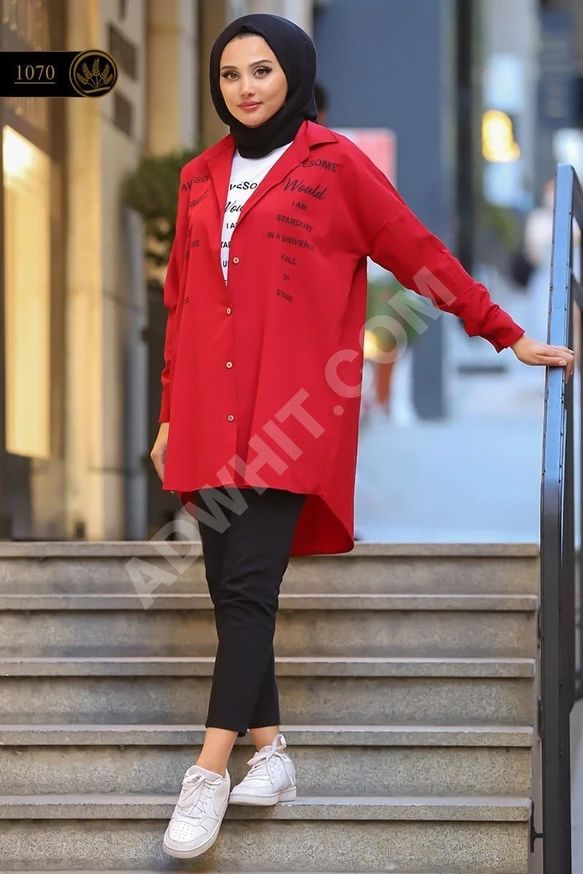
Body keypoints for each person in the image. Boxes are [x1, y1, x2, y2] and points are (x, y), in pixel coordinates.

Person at [149, 13, 574, 861]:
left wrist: (505, 334)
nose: (244, 88)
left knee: (247, 589)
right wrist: (167, 414)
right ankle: (272, 754)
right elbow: (181, 303)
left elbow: (418, 255)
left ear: (293, 74)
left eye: (261, 71)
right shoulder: (198, 176)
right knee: (227, 585)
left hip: (288, 414)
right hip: (205, 409)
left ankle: (207, 773)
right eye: (229, 74)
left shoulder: (333, 165)